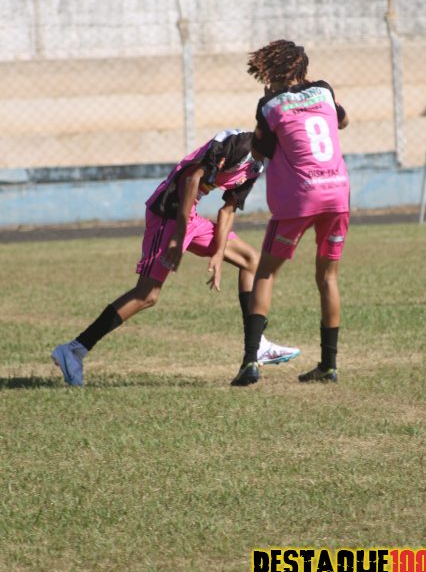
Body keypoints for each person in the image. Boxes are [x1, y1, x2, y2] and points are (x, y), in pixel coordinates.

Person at [51, 129, 300, 386]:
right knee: (147, 294)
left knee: (251, 261)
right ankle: (74, 350)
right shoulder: (238, 143)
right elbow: (192, 178)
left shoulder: (257, 166)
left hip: (190, 217)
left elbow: (228, 210)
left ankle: (256, 344)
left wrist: (218, 252)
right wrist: (179, 235)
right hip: (168, 213)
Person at [230, 41, 350, 387]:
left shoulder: (270, 105)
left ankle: (250, 362)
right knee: (327, 278)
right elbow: (343, 121)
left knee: (265, 273)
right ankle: (329, 365)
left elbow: (259, 151)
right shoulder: (324, 90)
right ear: (302, 67)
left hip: (300, 197)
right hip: (338, 192)